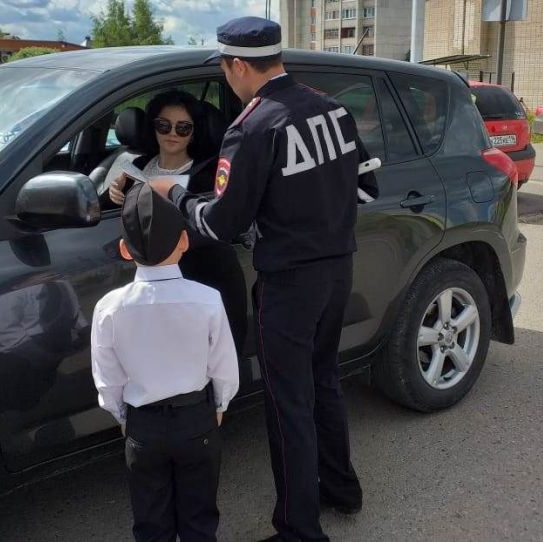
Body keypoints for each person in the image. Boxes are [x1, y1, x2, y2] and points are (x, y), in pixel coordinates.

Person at [150, 16, 379, 542]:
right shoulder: (332, 107)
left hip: (290, 285)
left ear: (235, 66)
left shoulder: (252, 127)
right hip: (337, 269)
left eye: (225, 69)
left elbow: (220, 224)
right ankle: (343, 490)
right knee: (324, 383)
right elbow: (366, 189)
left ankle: (300, 529)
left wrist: (173, 193)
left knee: (288, 403)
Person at [91, 182, 239, 541]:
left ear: (126, 250)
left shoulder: (109, 308)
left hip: (144, 428)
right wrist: (219, 405)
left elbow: (107, 380)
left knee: (150, 523)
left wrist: (122, 416)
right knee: (199, 519)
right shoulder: (207, 300)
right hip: (196, 421)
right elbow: (224, 366)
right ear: (185, 242)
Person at [110, 90, 248, 355]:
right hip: (145, 285)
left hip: (199, 281)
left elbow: (214, 223)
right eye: (164, 125)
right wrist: (116, 196)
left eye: (183, 128)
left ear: (194, 133)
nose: (172, 133)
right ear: (152, 127)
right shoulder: (132, 165)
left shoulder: (210, 175)